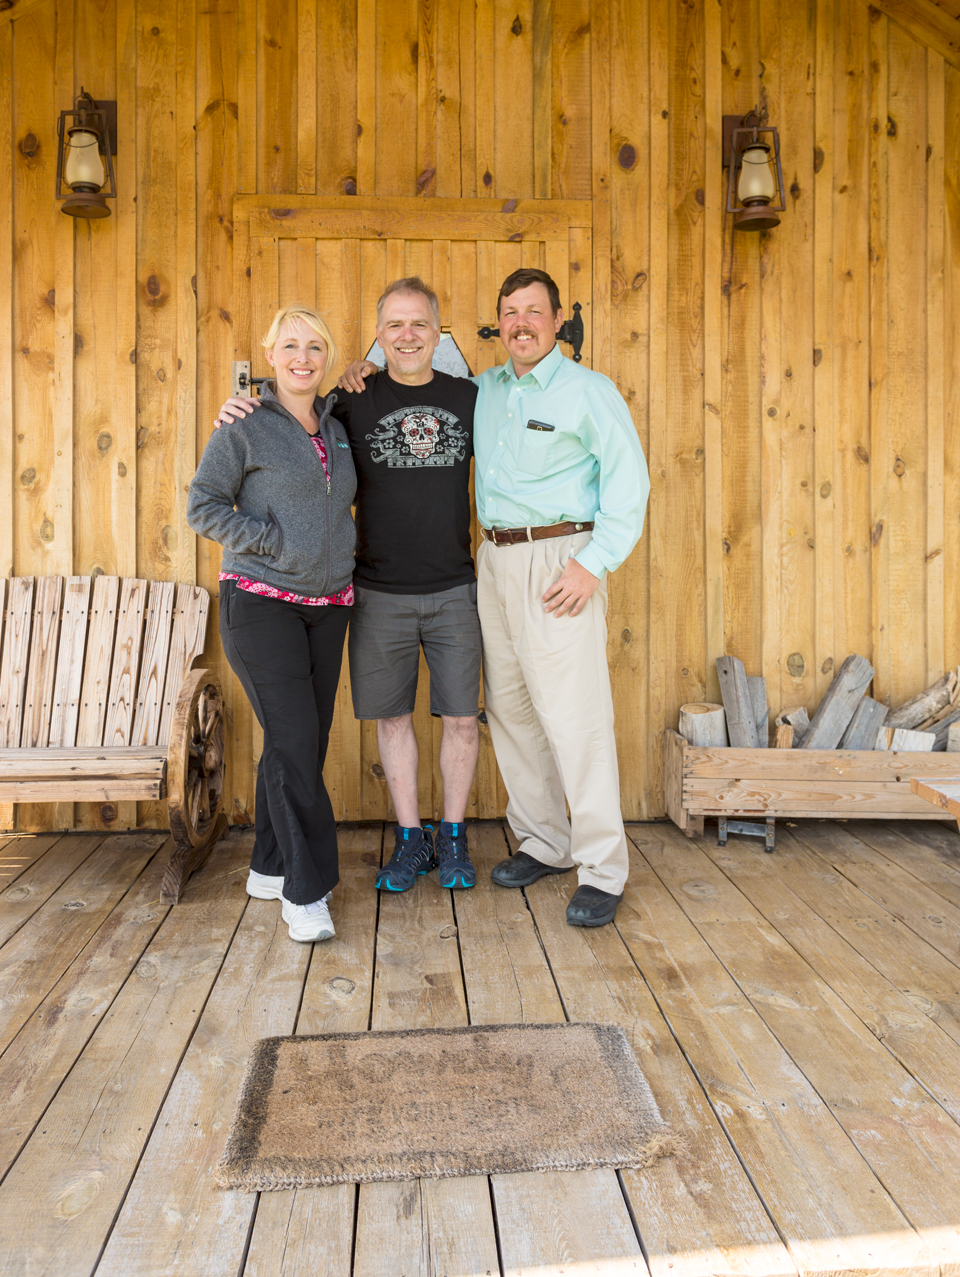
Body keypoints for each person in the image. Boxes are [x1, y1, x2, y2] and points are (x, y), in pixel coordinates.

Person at [342, 266, 649, 927]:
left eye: (534, 312)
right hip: (492, 564)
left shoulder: (588, 392)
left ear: (559, 318)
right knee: (510, 713)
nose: (521, 324)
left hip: (561, 561)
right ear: (498, 322)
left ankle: (602, 866)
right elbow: (403, 383)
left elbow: (629, 487)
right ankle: (546, 841)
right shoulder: (480, 391)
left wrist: (592, 563)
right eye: (510, 312)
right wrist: (354, 371)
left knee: (576, 719)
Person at [215, 277, 482, 894]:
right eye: (394, 325)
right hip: (376, 591)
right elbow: (291, 406)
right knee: (390, 720)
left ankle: (454, 836)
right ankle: (411, 841)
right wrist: (244, 402)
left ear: (438, 332)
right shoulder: (349, 400)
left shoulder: (471, 397)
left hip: (455, 589)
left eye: (419, 324)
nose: (407, 336)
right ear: (379, 334)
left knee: (462, 719)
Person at [188, 305, 356, 943]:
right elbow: (202, 505)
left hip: (329, 605)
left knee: (303, 742)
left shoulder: (336, 425)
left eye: (315, 346)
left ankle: (268, 864)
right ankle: (305, 892)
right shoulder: (245, 424)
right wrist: (268, 540)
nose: (303, 358)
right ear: (270, 352)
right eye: (290, 345)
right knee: (291, 739)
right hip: (260, 599)